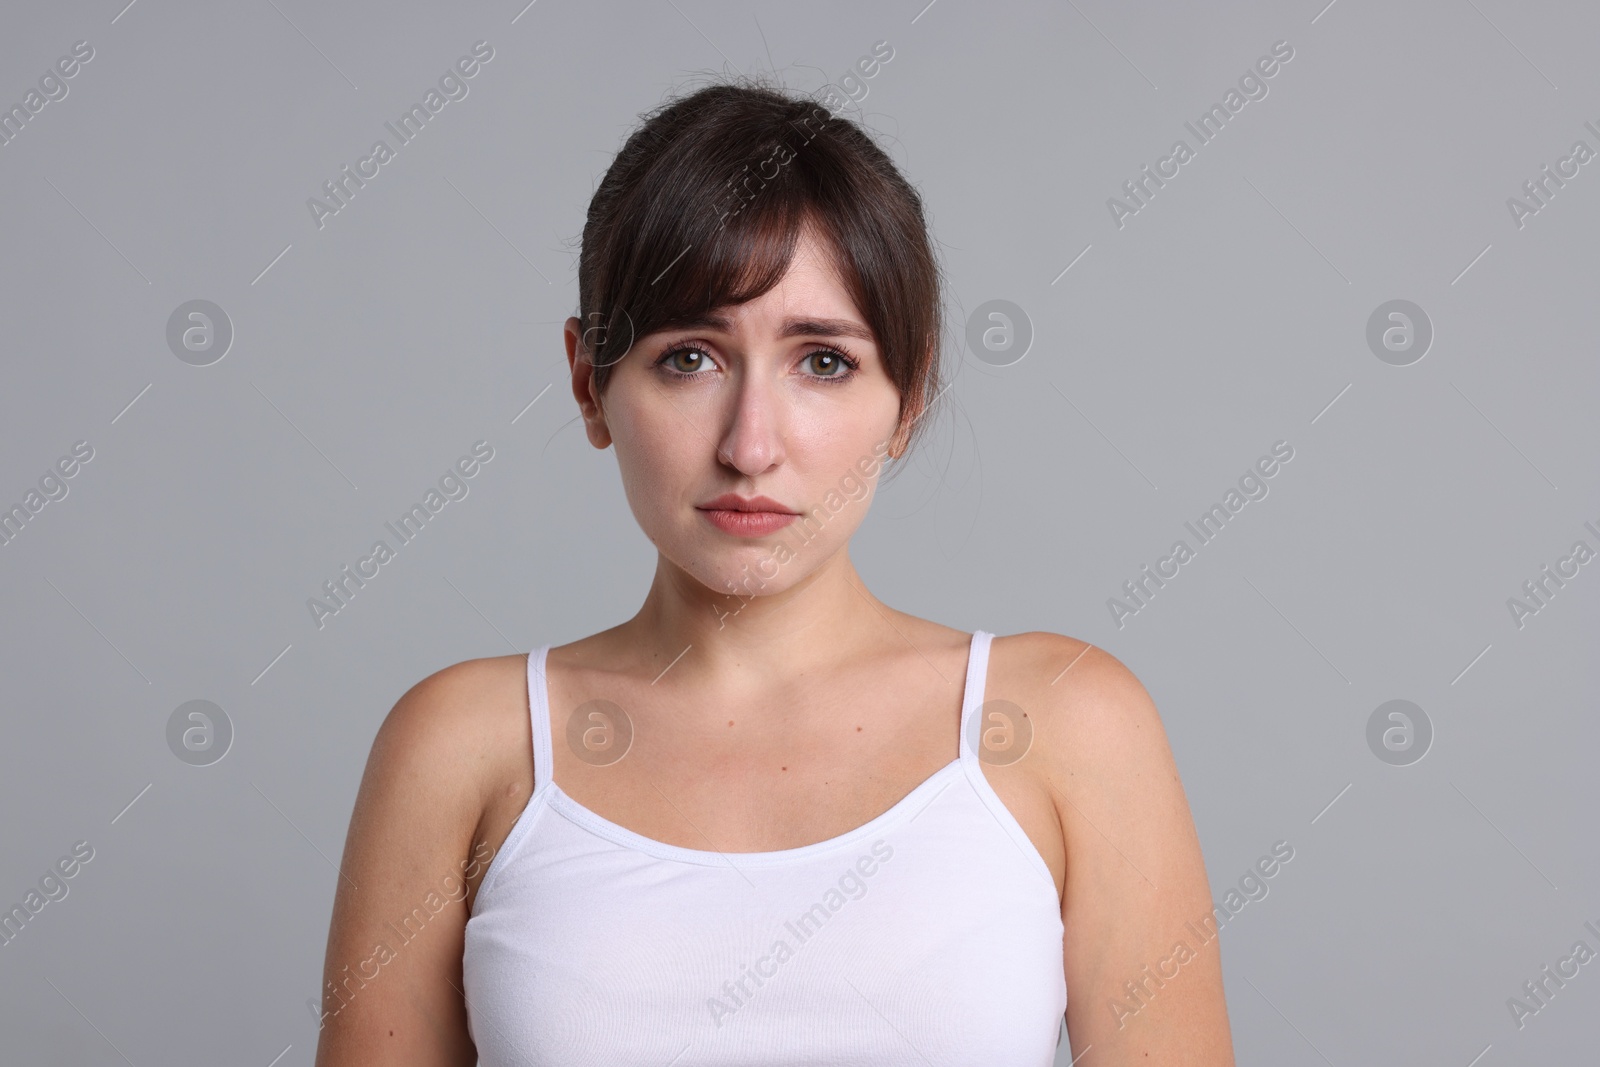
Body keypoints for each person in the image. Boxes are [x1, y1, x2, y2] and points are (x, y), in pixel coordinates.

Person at [313, 77, 1234, 1067]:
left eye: (823, 361)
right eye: (689, 357)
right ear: (590, 384)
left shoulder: (1065, 720)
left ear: (909, 393)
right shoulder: (461, 745)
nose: (751, 445)